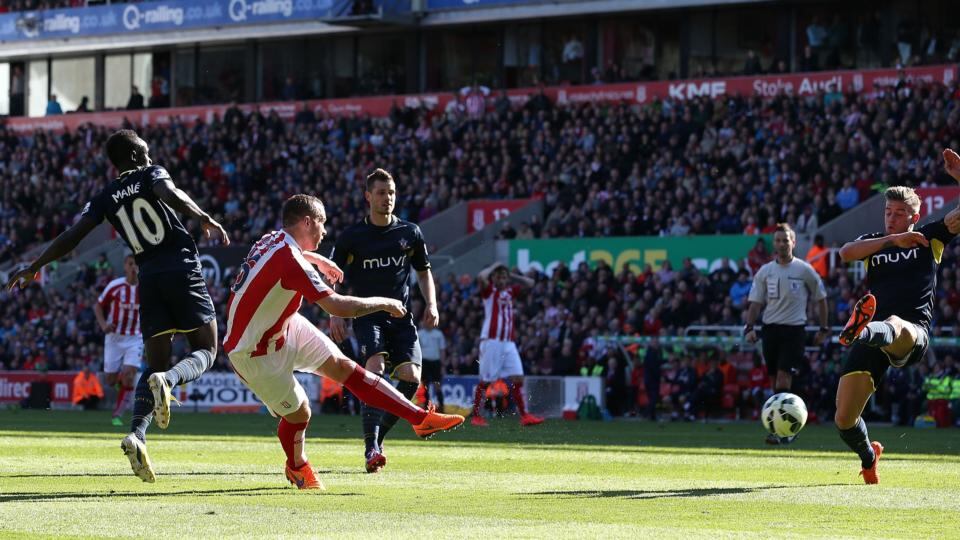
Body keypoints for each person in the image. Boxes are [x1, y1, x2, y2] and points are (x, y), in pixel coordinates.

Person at [6, 129, 230, 483]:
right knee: (207, 348)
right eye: (147, 151)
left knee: (152, 364)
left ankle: (137, 434)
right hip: (181, 268)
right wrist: (201, 215)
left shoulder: (105, 196)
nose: (152, 156)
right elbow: (167, 192)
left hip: (149, 279)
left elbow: (72, 237)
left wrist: (34, 266)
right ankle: (169, 381)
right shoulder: (150, 174)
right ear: (138, 155)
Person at [225, 194, 463, 490]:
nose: (324, 232)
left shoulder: (273, 239)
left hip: (282, 326)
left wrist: (319, 259)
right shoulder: (290, 261)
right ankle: (297, 466)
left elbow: (288, 258)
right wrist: (384, 303)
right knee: (300, 414)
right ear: (307, 222)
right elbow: (336, 306)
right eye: (321, 223)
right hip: (254, 353)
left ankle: (419, 418)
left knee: (342, 366)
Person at [834, 151, 960, 484]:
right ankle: (868, 456)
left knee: (894, 323)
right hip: (874, 339)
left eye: (900, 213)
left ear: (915, 216)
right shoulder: (874, 242)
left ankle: (860, 330)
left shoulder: (929, 237)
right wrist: (891, 239)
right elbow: (845, 253)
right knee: (844, 419)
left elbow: (957, 218)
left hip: (912, 334)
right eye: (888, 212)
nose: (892, 217)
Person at [329, 168, 440, 474]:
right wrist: (334, 311)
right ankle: (370, 449)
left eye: (391, 193)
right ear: (368, 196)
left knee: (411, 377)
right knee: (375, 372)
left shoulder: (410, 233)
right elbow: (331, 277)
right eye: (381, 193)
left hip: (402, 318)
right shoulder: (353, 237)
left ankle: (377, 440)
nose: (387, 198)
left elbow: (423, 271)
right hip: (367, 316)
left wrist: (431, 302)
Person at [744, 223, 829, 445]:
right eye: (778, 240)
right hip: (770, 330)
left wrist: (823, 328)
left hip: (794, 331)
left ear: (794, 242)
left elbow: (821, 298)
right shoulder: (765, 272)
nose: (782, 244)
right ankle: (781, 426)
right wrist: (750, 327)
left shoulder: (804, 270)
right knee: (775, 381)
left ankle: (786, 430)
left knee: (784, 378)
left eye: (786, 240)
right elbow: (755, 302)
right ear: (775, 244)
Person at [469, 262, 545, 427]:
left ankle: (524, 416)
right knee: (486, 381)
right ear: (493, 279)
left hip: (508, 342)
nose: (502, 280)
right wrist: (494, 267)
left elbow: (531, 283)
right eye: (498, 277)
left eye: (504, 277)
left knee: (518, 377)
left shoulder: (511, 292)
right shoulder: (489, 292)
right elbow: (481, 277)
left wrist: (512, 276)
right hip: (492, 341)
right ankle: (476, 416)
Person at [94, 254, 142, 427]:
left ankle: (117, 414)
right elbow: (98, 305)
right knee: (110, 380)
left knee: (129, 376)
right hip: (114, 338)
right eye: (130, 264)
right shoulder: (115, 286)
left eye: (136, 264)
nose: (133, 267)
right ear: (125, 266)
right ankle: (119, 381)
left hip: (135, 337)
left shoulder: (145, 288)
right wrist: (103, 324)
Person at [418, 320, 446, 411]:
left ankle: (441, 406)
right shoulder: (420, 334)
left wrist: (442, 365)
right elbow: (417, 350)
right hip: (424, 362)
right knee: (425, 385)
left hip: (435, 362)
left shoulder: (438, 334)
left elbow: (442, 350)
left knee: (437, 384)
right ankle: (426, 406)